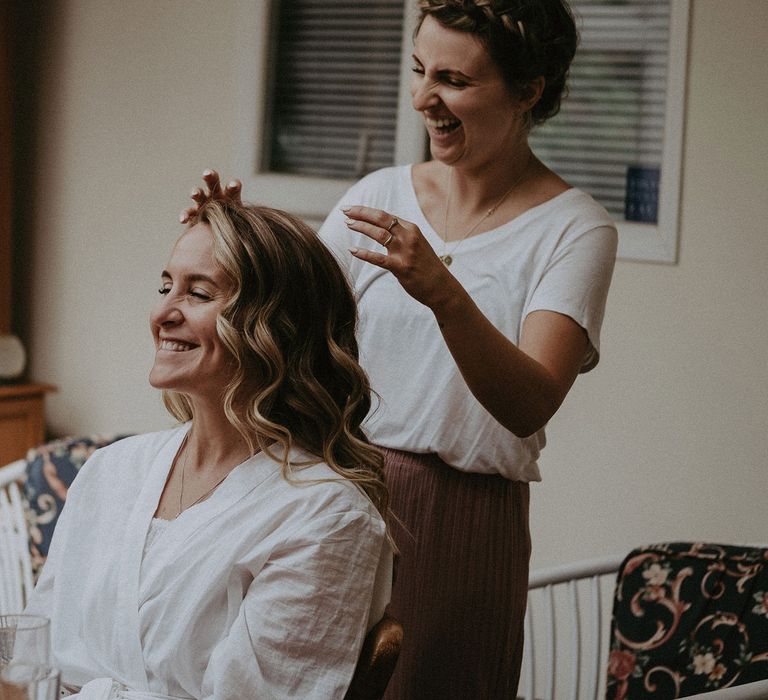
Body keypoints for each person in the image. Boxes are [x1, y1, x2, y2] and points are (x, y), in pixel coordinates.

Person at [187, 0, 618, 696]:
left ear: (528, 91)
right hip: (335, 488)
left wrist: (443, 291)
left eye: (453, 79)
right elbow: (289, 329)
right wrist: (231, 240)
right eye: (419, 71)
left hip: (466, 523)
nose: (423, 99)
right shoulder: (379, 194)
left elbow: (530, 401)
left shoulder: (574, 229)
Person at [24, 200, 393, 699]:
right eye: (164, 287)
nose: (163, 313)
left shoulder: (326, 516)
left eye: (198, 293)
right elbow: (31, 656)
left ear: (277, 325)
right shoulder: (113, 470)